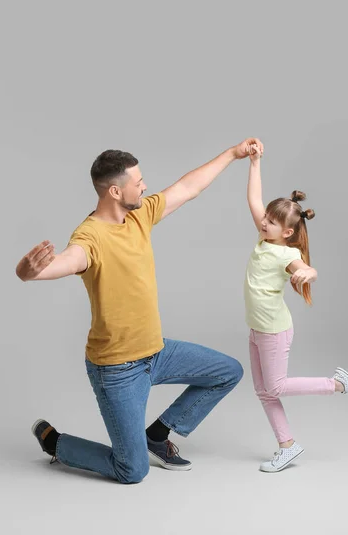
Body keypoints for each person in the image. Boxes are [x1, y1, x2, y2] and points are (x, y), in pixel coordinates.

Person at [16, 138, 263, 484]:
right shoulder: (89, 238)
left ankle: (157, 435)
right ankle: (56, 443)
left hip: (156, 352)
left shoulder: (140, 216)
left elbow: (188, 187)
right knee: (132, 469)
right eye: (138, 181)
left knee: (228, 372)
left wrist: (234, 154)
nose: (145, 185)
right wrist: (30, 271)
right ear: (115, 191)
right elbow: (66, 261)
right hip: (117, 369)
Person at [244, 144, 348, 473]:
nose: (263, 221)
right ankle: (287, 446)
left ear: (287, 232)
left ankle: (338, 385)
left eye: (270, 222)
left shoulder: (286, 255)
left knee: (275, 386)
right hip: (257, 329)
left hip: (273, 329)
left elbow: (309, 268)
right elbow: (254, 200)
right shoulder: (264, 241)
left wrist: (307, 273)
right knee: (263, 391)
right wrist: (255, 163)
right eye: (265, 217)